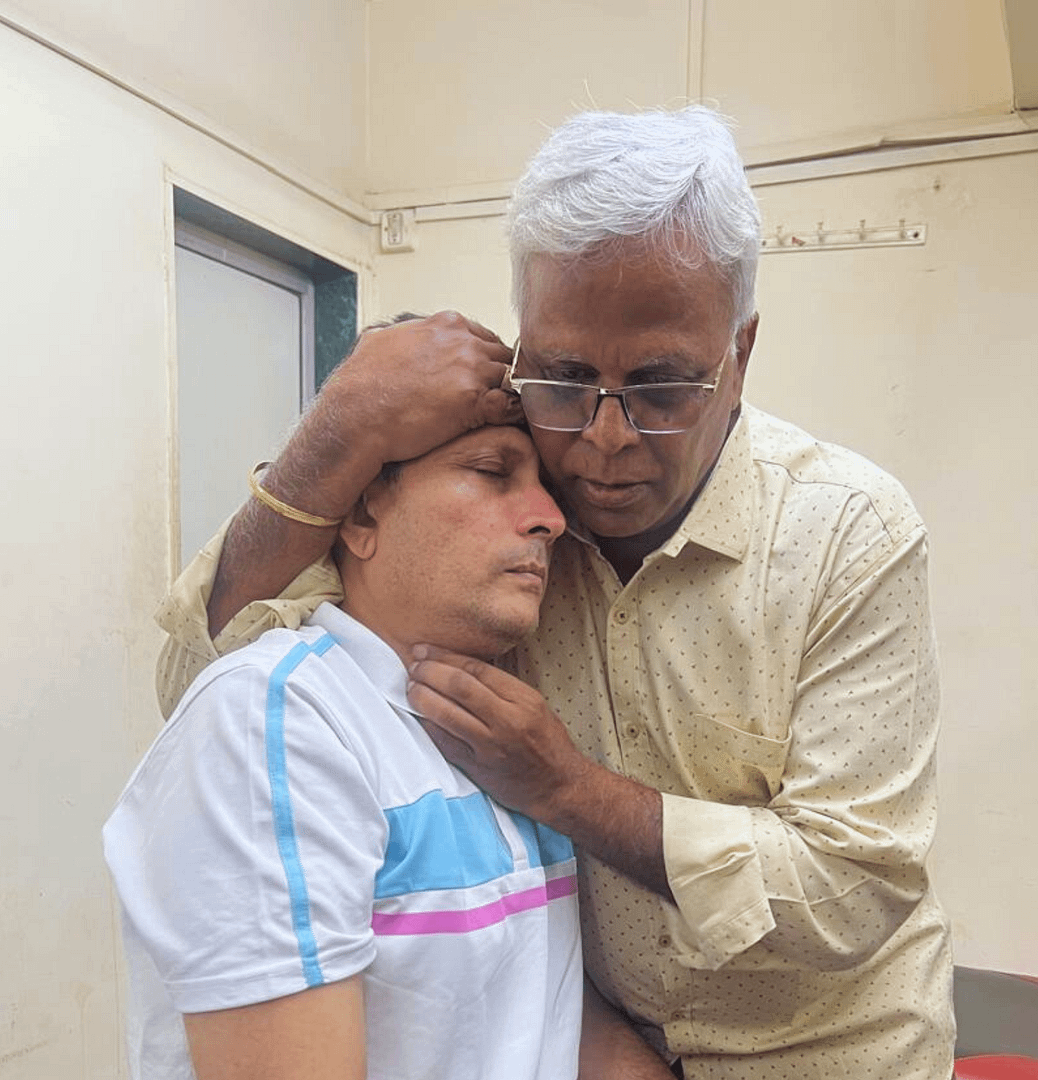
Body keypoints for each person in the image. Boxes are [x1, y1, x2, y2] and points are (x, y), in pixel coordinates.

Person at [156, 106, 955, 1078]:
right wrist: (341, 427)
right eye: (566, 378)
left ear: (739, 355)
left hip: (829, 1055)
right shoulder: (506, 523)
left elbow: (849, 890)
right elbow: (207, 677)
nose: (603, 441)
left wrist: (568, 788)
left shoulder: (847, 534)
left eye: (661, 388)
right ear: (523, 348)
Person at [105, 415, 675, 1079]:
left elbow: (542, 1014)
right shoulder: (279, 719)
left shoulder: (499, 735)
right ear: (362, 517)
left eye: (547, 487)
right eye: (493, 473)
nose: (550, 518)